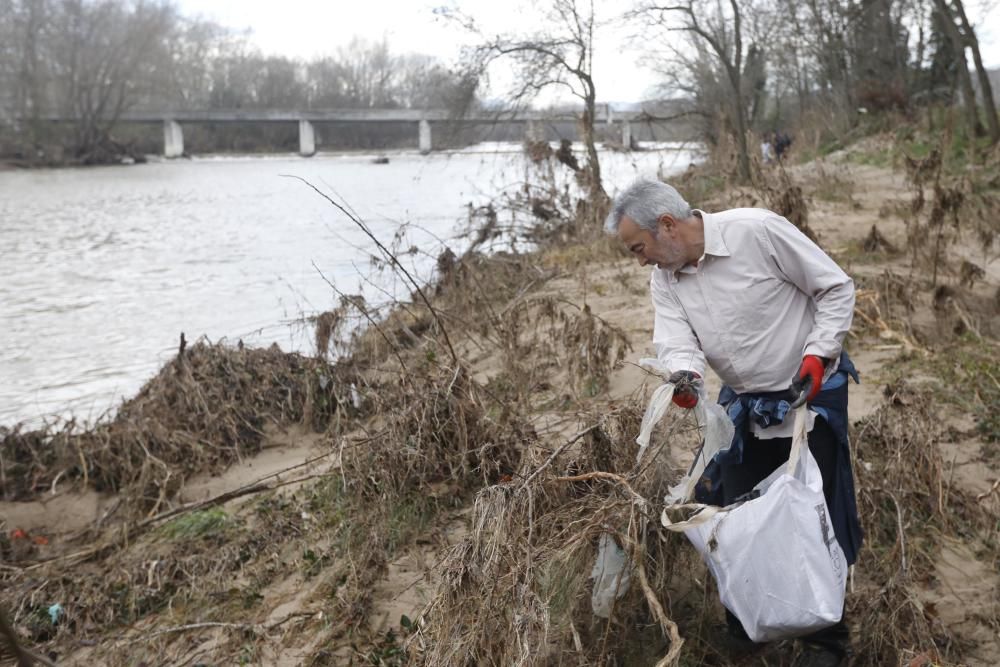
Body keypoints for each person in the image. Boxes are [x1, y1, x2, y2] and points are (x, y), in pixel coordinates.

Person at [605, 179, 862, 667]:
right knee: (737, 515)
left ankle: (827, 642)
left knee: (812, 514)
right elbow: (677, 340)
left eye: (639, 248)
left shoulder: (758, 231)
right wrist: (685, 376)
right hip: (745, 406)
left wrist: (817, 353)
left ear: (667, 225)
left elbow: (834, 287)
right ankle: (749, 630)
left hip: (810, 396)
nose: (640, 260)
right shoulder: (665, 278)